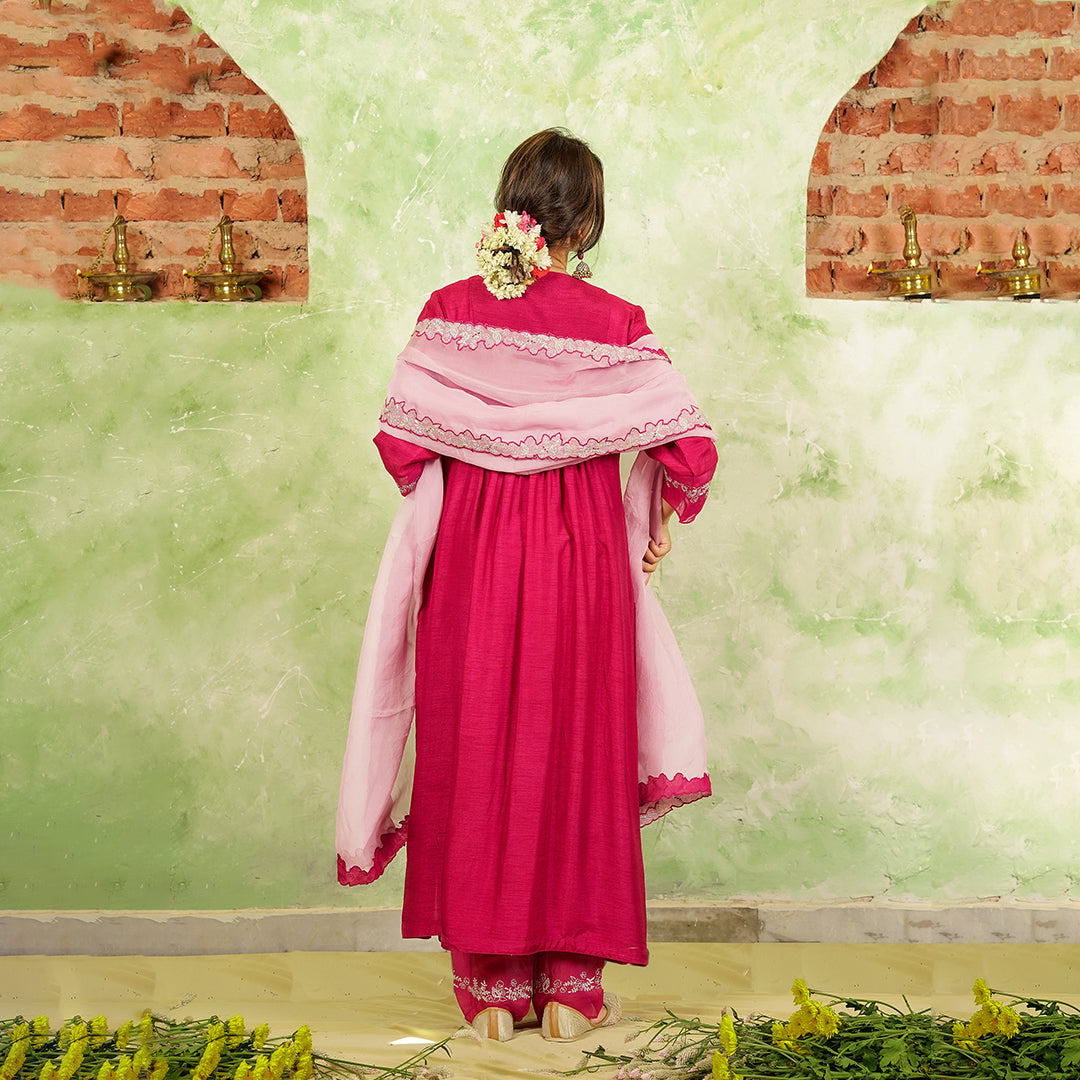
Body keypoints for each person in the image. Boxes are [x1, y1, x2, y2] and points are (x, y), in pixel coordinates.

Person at [336, 129, 718, 1043]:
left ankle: (492, 994)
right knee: (577, 753)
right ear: (584, 223)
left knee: (479, 750)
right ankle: (571, 993)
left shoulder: (447, 311)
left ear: (510, 207)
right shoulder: (618, 322)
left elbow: (400, 443)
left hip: (471, 564)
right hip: (582, 565)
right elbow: (689, 450)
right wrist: (659, 517)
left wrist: (478, 466)